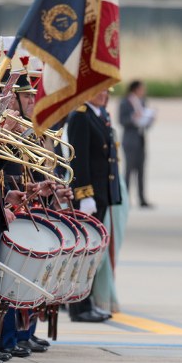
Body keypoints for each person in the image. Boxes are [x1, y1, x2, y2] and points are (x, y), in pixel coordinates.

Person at [66, 87, 122, 322]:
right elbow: (78, 160)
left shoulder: (99, 115)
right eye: (98, 90)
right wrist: (84, 195)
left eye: (106, 91)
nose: (103, 94)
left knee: (92, 252)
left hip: (100, 195)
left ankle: (86, 301)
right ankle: (78, 307)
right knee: (84, 252)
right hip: (89, 197)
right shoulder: (80, 116)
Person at [119, 80, 155, 207]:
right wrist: (133, 117)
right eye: (141, 89)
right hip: (130, 140)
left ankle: (142, 198)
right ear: (135, 89)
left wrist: (149, 119)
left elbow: (145, 121)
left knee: (141, 169)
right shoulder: (125, 102)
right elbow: (122, 120)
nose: (143, 91)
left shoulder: (143, 101)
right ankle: (126, 198)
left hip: (141, 139)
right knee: (129, 170)